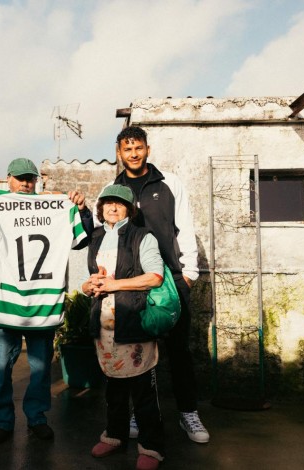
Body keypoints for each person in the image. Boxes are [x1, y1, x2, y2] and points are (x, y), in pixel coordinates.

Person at [0, 158, 94, 445]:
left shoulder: (56, 207)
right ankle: (3, 421)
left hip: (41, 304)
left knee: (41, 368)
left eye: (30, 179)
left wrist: (81, 209)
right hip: (4, 302)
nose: (25, 184)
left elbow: (81, 240)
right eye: (20, 179)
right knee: (0, 369)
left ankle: (37, 418)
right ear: (9, 180)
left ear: (36, 182)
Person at [107, 126, 208, 444]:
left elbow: (185, 226)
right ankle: (141, 412)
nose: (133, 154)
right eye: (127, 149)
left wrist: (189, 275)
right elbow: (110, 236)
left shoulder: (169, 182)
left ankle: (188, 413)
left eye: (138, 148)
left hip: (171, 281)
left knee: (179, 352)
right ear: (119, 153)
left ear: (147, 150)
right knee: (139, 352)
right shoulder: (113, 188)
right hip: (133, 283)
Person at [83, 184, 166, 470]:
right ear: (101, 207)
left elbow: (155, 276)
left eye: (120, 204)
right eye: (108, 203)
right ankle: (115, 435)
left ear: (130, 209)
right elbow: (94, 278)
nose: (113, 208)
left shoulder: (142, 236)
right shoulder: (95, 237)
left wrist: (115, 284)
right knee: (114, 387)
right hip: (105, 326)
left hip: (133, 320)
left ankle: (151, 446)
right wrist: (89, 285)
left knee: (143, 388)